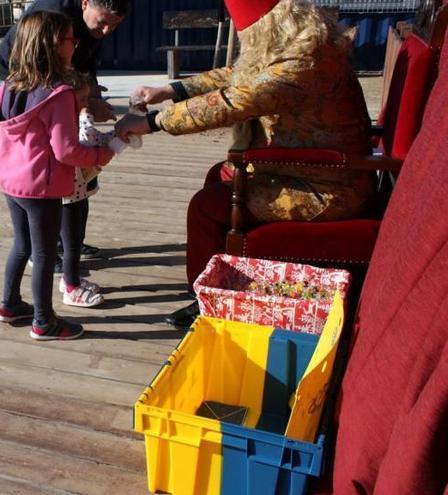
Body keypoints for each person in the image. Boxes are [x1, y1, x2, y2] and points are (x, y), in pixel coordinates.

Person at [115, 0, 374, 328]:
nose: (244, 40)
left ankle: (205, 297)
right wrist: (170, 89)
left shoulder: (303, 62)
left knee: (206, 205)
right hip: (309, 170)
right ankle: (231, 279)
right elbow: (235, 76)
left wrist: (153, 123)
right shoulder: (303, 47)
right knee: (219, 177)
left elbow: (237, 99)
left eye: (247, 34)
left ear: (268, 25)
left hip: (328, 187)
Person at [0, 11, 114, 340]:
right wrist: (104, 153)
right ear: (52, 44)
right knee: (45, 253)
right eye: (69, 39)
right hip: (41, 185)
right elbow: (66, 151)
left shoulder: (8, 86)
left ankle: (9, 304)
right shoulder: (57, 94)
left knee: (22, 245)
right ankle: (44, 321)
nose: (75, 44)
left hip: (12, 179)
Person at [0, 0, 131, 270]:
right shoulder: (52, 15)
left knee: (71, 174)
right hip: (20, 75)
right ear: (85, 3)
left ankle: (70, 242)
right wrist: (103, 151)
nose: (104, 31)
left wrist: (92, 101)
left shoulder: (90, 30)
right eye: (102, 22)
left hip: (58, 85)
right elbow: (30, 64)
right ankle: (44, 248)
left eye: (113, 27)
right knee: (43, 162)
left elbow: (87, 66)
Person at [59, 80, 135, 308]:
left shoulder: (76, 122)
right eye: (82, 100)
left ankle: (67, 278)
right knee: (71, 243)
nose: (87, 105)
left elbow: (97, 140)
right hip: (66, 195)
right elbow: (86, 141)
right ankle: (71, 287)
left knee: (78, 237)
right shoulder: (64, 125)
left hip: (80, 191)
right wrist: (87, 116)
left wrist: (120, 132)